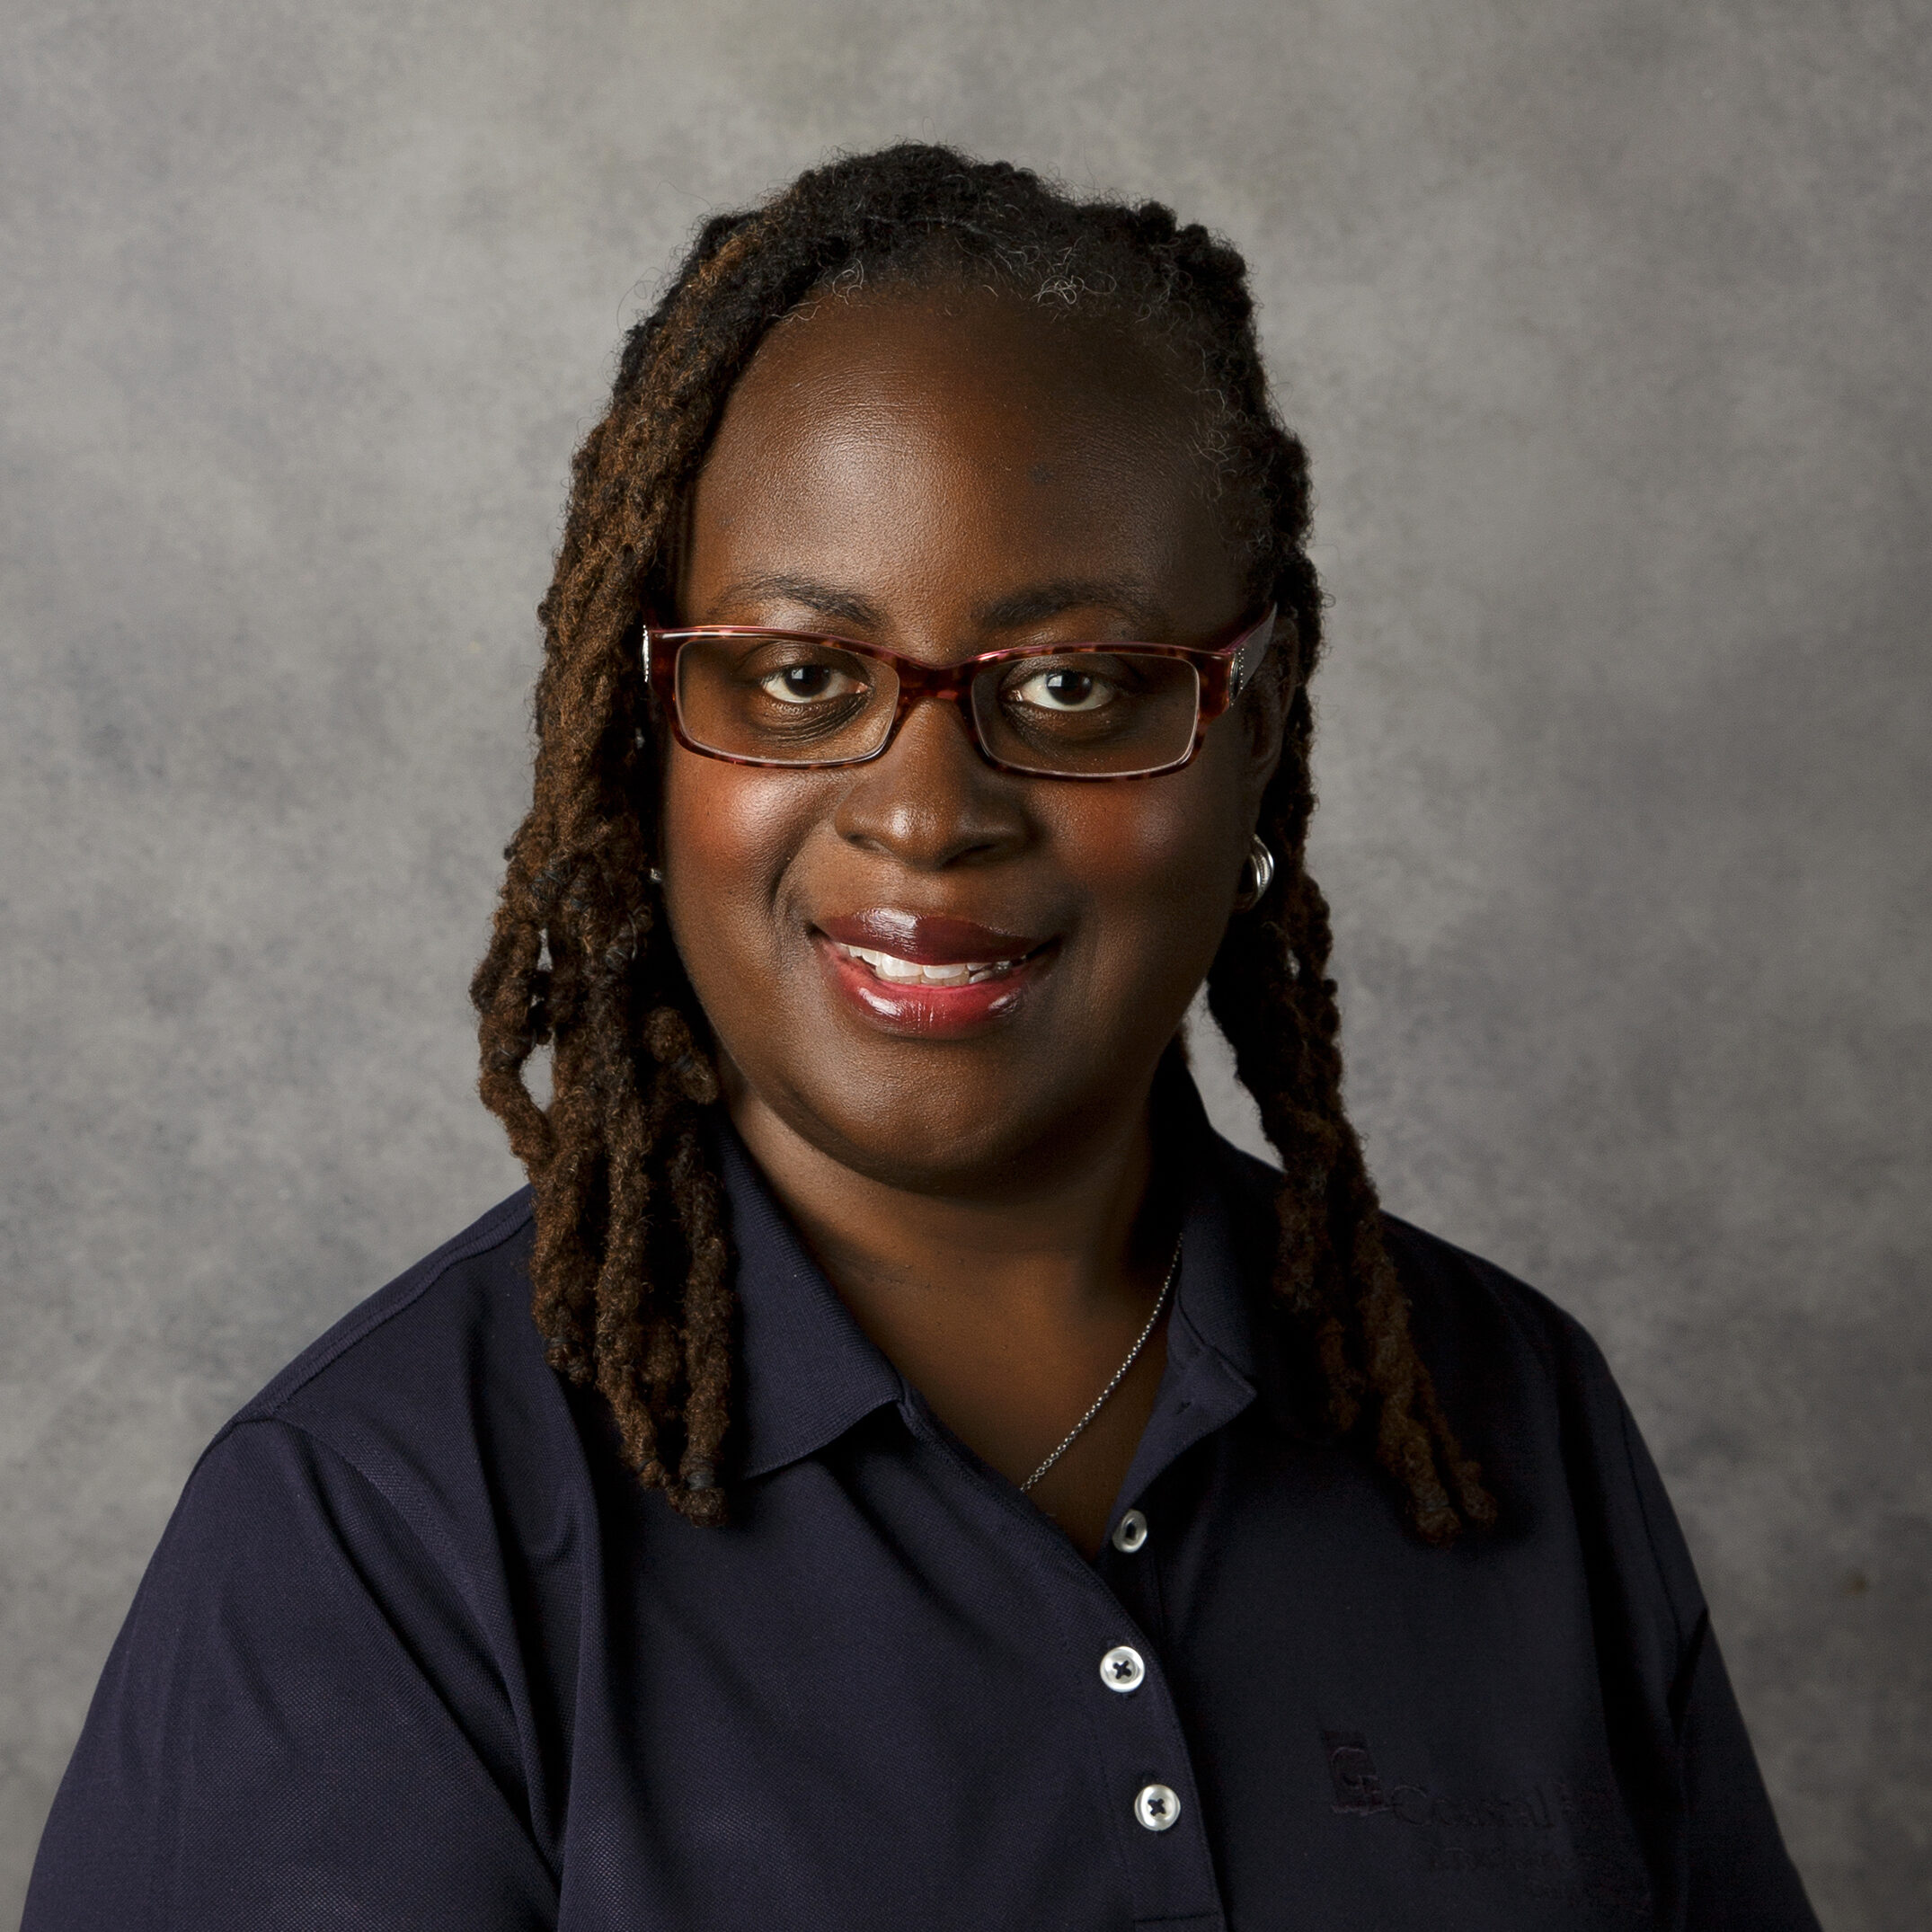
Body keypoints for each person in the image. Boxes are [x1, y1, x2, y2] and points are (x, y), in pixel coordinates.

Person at [24, 146, 1820, 1931]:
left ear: (1253, 727)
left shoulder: (1502, 1413)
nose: (926, 807)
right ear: (646, 738)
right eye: (801, 674)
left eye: (1072, 683)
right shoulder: (376, 1531)